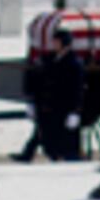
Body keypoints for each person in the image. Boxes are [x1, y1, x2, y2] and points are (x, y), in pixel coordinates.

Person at [20, 34, 88, 163]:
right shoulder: (48, 59)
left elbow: (77, 89)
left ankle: (67, 156)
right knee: (45, 133)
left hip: (64, 106)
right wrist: (32, 101)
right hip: (49, 105)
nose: (54, 44)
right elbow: (37, 78)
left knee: (65, 140)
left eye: (57, 42)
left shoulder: (74, 63)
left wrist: (75, 111)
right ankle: (37, 153)